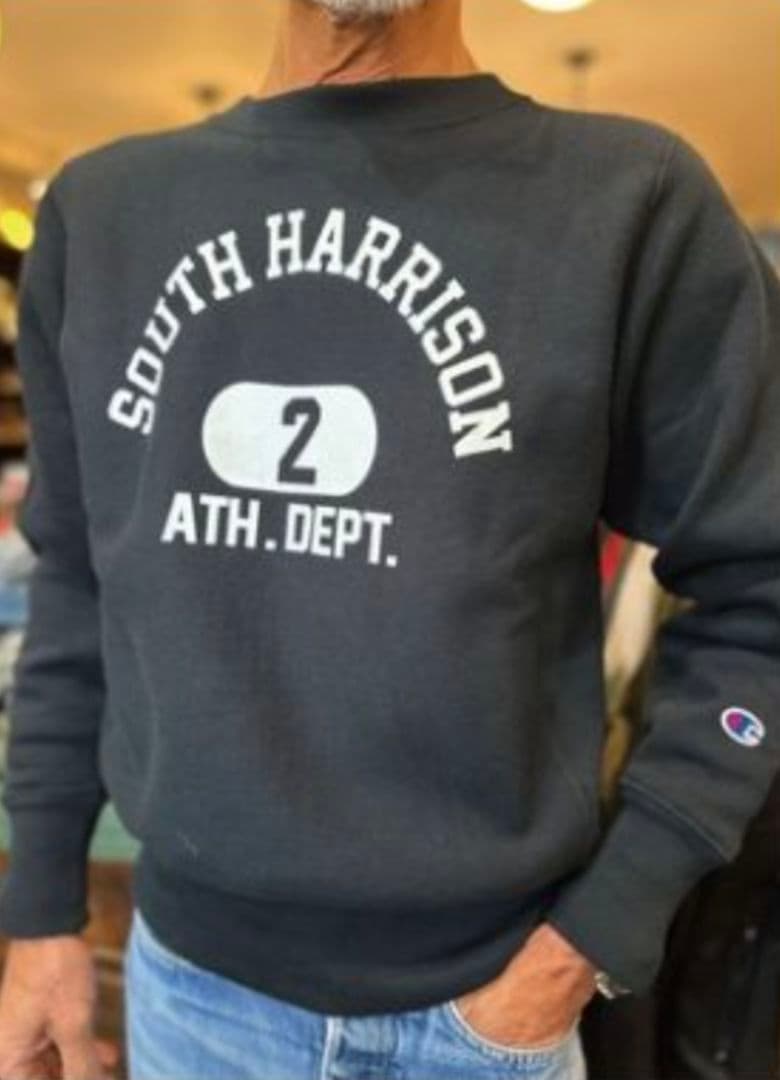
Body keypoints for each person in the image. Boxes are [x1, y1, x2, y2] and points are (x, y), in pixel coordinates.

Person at [0, 0, 778, 1076]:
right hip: (191, 1000)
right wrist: (42, 909)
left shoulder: (632, 202)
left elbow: (761, 590)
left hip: (490, 1014)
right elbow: (77, 584)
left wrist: (601, 929)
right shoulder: (100, 216)